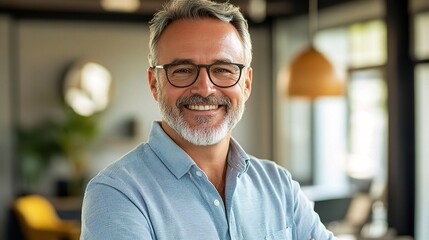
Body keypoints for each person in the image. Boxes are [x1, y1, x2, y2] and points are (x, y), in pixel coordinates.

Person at [80, 0, 336, 239]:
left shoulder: (279, 186)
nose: (204, 88)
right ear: (154, 84)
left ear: (246, 84)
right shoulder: (116, 193)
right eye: (182, 70)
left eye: (223, 70)